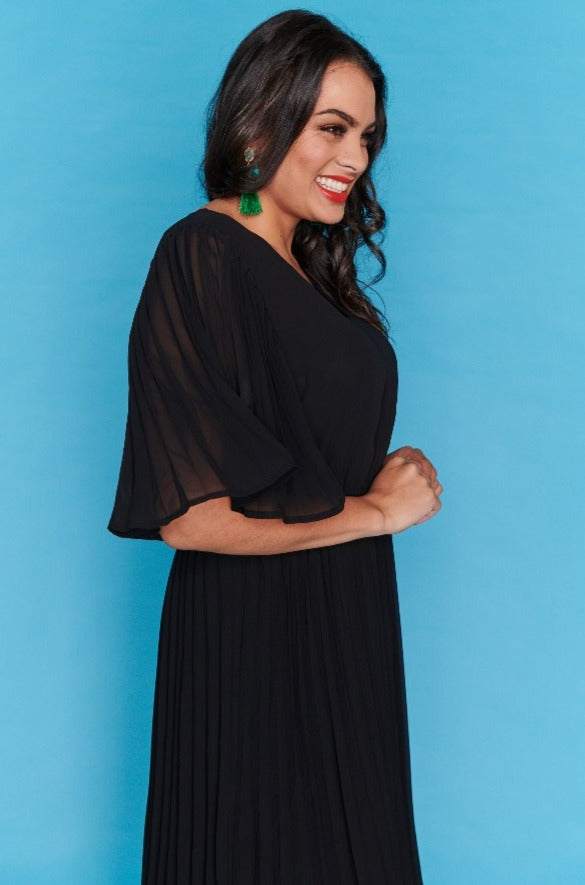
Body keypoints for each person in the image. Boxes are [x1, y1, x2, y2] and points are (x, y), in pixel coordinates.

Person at [107, 9, 442, 884]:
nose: (355, 157)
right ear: (259, 122)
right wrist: (375, 511)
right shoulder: (201, 253)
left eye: (366, 135)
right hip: (251, 642)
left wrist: (377, 479)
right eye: (331, 127)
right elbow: (191, 519)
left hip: (349, 622)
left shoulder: (316, 277)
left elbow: (308, 442)